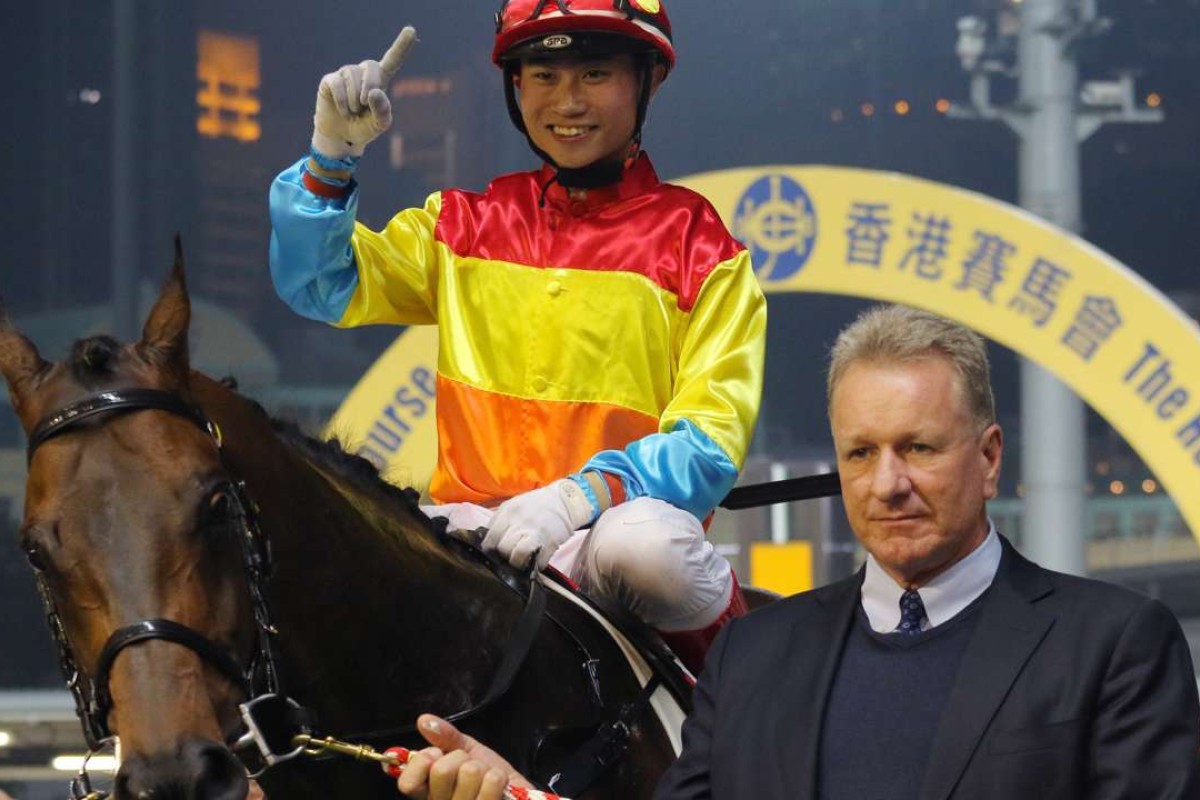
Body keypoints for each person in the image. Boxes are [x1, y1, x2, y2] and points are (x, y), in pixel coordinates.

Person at [394, 304, 1200, 799]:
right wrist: (514, 797)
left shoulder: (1115, 645)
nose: (888, 485)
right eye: (860, 453)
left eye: (918, 448)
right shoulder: (754, 653)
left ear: (989, 458)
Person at [268, 0, 765, 672]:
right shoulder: (462, 225)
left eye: (594, 74)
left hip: (612, 544)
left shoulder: (703, 250)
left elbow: (708, 446)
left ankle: (744, 707)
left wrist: (577, 498)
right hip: (473, 541)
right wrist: (331, 158)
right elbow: (321, 284)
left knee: (644, 550)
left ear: (649, 80)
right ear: (513, 86)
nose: (567, 101)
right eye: (542, 76)